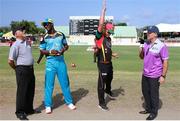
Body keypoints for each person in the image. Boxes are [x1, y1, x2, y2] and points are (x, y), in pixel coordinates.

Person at [39, 18, 76, 114]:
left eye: (47, 24)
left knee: (65, 83)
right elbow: (42, 51)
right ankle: (48, 105)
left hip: (61, 62)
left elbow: (66, 45)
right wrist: (51, 51)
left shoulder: (60, 34)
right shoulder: (44, 37)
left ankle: (69, 102)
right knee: (49, 85)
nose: (45, 26)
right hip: (50, 63)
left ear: (51, 24)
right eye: (44, 25)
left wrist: (63, 50)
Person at [8, 26, 40, 120]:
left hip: (30, 69)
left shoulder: (27, 42)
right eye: (22, 30)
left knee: (30, 90)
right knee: (22, 91)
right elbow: (10, 61)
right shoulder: (15, 45)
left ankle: (29, 109)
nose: (24, 31)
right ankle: (20, 112)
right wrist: (16, 69)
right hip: (21, 69)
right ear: (16, 34)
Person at [139, 26, 169, 120]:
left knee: (153, 94)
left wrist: (163, 76)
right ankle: (148, 108)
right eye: (147, 32)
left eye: (150, 32)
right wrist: (141, 48)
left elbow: (165, 62)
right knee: (145, 92)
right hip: (145, 74)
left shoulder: (161, 46)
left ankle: (154, 112)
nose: (147, 33)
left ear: (155, 34)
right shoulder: (146, 44)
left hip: (155, 75)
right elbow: (141, 57)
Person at [94, 0, 118, 111]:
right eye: (109, 31)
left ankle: (108, 91)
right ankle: (101, 103)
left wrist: (112, 54)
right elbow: (100, 24)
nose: (109, 34)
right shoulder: (100, 36)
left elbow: (107, 50)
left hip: (109, 63)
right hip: (102, 64)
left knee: (110, 78)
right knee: (101, 83)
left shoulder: (108, 39)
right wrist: (103, 11)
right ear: (105, 29)